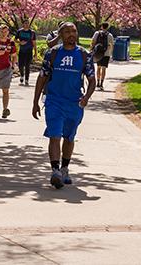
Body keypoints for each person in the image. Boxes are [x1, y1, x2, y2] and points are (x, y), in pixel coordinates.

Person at [32, 22, 96, 189]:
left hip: (74, 103)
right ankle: (55, 171)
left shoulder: (84, 55)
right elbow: (42, 77)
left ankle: (65, 168)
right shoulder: (52, 54)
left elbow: (92, 79)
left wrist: (86, 97)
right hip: (54, 101)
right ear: (61, 35)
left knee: (69, 137)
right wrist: (35, 102)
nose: (71, 35)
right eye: (67, 32)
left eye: (74, 31)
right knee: (55, 135)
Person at [90, 22, 114, 90]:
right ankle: (101, 84)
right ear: (107, 27)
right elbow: (112, 45)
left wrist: (92, 49)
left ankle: (97, 82)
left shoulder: (97, 33)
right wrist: (111, 53)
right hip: (106, 54)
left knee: (98, 68)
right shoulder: (110, 35)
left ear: (101, 26)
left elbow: (93, 41)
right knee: (104, 69)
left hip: (98, 53)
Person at [15, 20, 37, 86]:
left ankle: (27, 80)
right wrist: (20, 42)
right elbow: (15, 39)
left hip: (29, 51)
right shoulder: (19, 31)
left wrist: (35, 53)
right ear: (23, 24)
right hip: (21, 51)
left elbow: (34, 43)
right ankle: (22, 75)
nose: (27, 24)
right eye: (25, 23)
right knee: (20, 65)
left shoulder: (32, 32)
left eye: (28, 23)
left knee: (27, 66)